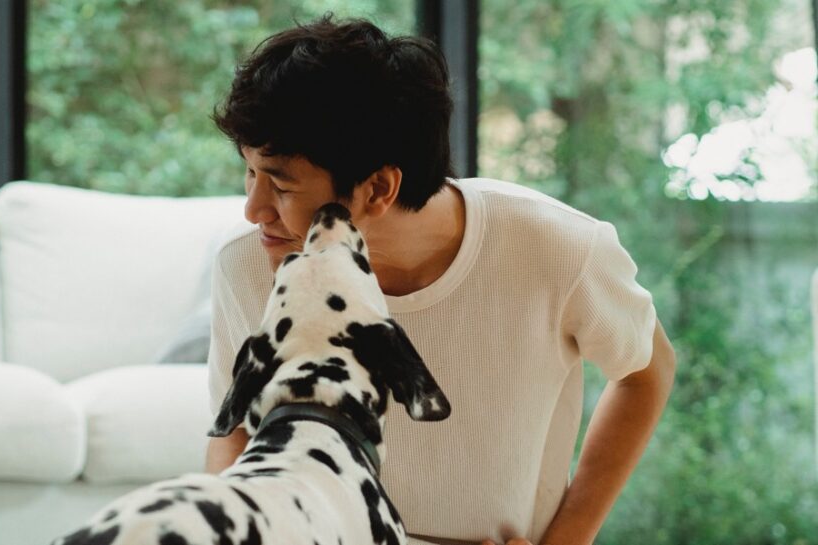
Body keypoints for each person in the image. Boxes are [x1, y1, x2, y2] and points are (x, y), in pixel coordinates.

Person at [203, 14, 676, 545]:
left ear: (378, 188)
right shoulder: (248, 264)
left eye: (281, 186)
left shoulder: (559, 248)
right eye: (249, 172)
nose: (253, 209)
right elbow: (234, 431)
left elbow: (646, 372)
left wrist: (568, 538)